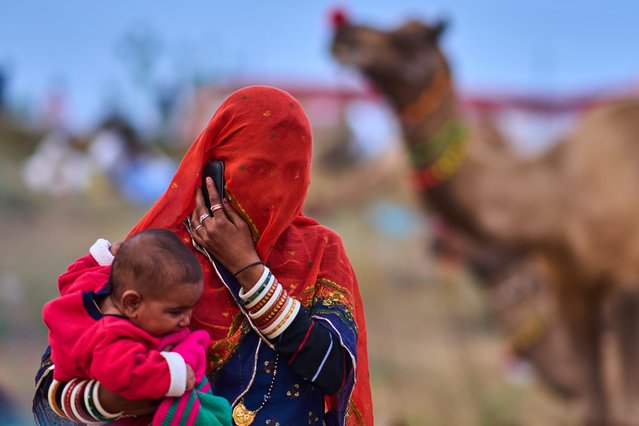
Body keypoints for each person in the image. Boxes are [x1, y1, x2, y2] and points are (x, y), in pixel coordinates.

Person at [33, 85, 373, 425]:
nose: (269, 195)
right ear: (213, 168)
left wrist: (249, 270)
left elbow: (335, 374)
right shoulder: (161, 254)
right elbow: (58, 379)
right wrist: (128, 395)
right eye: (253, 172)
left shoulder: (319, 251)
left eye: (287, 177)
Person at [41, 229, 231, 425]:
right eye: (176, 312)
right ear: (132, 303)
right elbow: (127, 375)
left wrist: (103, 256)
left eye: (190, 309)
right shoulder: (113, 337)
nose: (186, 320)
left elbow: (73, 274)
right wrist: (176, 374)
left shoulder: (99, 284)